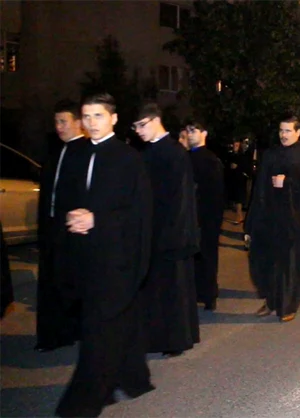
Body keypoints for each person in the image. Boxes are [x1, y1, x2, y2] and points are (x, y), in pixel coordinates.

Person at [56, 93, 153, 417]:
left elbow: (139, 213)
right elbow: (68, 198)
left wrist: (98, 219)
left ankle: (86, 399)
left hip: (117, 256)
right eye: (86, 116)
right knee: (113, 323)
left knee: (99, 328)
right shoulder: (75, 154)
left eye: (98, 116)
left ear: (113, 118)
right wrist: (72, 218)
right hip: (85, 254)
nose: (91, 123)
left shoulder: (128, 158)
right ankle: (129, 377)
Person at [134, 103, 200, 356]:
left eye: (142, 125)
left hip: (172, 234)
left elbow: (181, 198)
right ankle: (156, 337)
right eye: (135, 126)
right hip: (152, 232)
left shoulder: (174, 152)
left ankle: (176, 340)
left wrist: (173, 235)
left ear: (155, 121)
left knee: (174, 289)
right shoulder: (146, 152)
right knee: (156, 289)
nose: (138, 131)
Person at [247, 115, 300, 322]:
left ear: (298, 132)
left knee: (290, 264)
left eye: (288, 131)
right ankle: (271, 300)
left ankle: (288, 305)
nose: (283, 135)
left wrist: (287, 183)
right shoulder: (271, 154)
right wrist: (253, 220)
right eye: (281, 130)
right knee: (270, 262)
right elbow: (260, 187)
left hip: (295, 220)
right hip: (271, 217)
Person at [35, 99, 88, 352]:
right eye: (56, 122)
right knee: (51, 281)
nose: (58, 127)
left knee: (72, 282)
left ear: (78, 123)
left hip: (74, 231)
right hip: (52, 228)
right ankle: (54, 333)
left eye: (63, 121)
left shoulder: (87, 152)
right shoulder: (55, 153)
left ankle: (73, 330)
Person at [187, 121, 226, 311]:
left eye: (193, 131)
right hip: (190, 218)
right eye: (188, 131)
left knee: (207, 257)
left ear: (204, 133)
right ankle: (195, 292)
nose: (190, 134)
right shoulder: (186, 157)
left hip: (206, 219)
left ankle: (209, 295)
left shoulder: (210, 160)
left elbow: (216, 194)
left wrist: (210, 220)